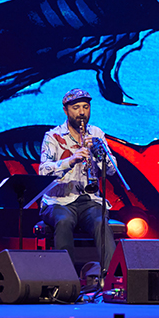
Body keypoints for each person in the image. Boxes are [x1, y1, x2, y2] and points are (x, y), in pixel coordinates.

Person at [38, 89, 119, 274]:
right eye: (76, 108)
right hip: (59, 200)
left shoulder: (97, 133)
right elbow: (43, 172)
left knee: (101, 222)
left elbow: (113, 170)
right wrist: (71, 160)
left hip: (89, 200)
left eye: (86, 107)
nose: (82, 112)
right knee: (64, 220)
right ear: (66, 110)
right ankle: (66, 278)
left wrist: (98, 152)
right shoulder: (53, 136)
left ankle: (113, 278)